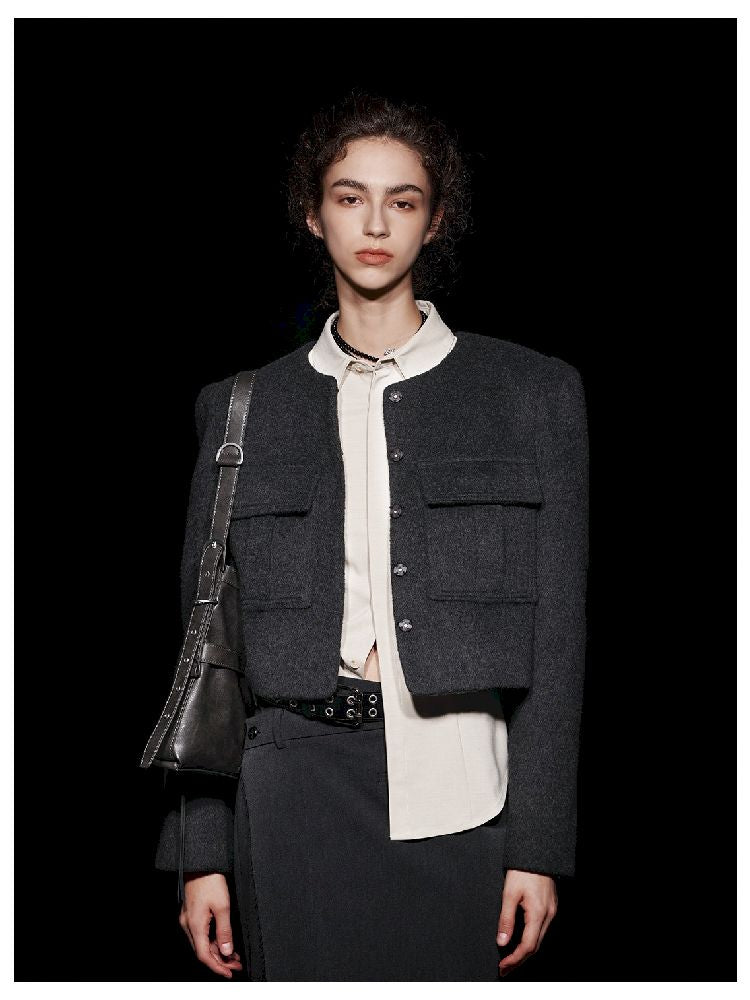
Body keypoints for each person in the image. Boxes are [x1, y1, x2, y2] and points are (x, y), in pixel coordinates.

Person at [152, 90, 589, 982]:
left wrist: (540, 845)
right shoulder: (239, 410)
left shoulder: (532, 395)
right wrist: (201, 853)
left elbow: (559, 637)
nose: (376, 224)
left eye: (404, 200)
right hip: (288, 790)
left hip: (464, 790)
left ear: (436, 221)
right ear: (314, 215)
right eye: (350, 197)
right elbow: (205, 648)